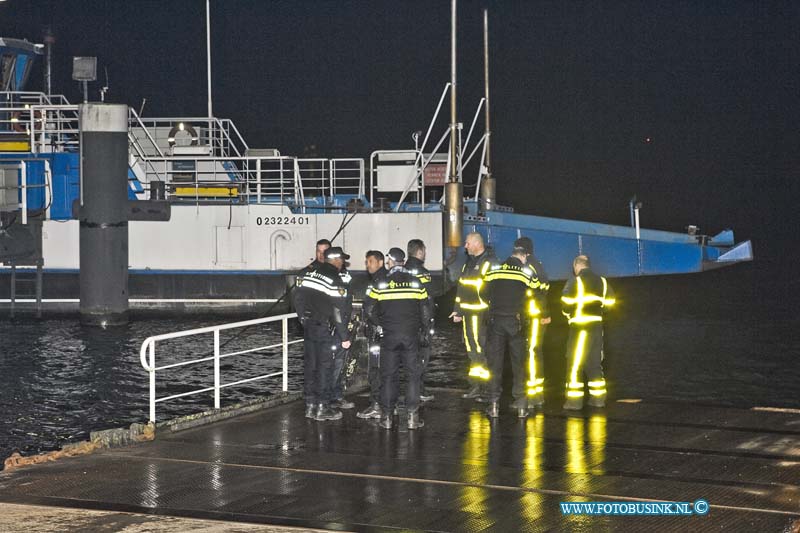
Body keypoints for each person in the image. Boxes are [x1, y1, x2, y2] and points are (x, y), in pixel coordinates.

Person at [366, 247, 432, 430]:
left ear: (390, 261)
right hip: (411, 336)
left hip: (389, 336)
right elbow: (426, 310)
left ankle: (387, 418)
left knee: (388, 376)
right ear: (403, 261)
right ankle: (412, 417)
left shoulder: (381, 282)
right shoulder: (416, 282)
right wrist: (423, 328)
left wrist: (381, 324)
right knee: (412, 376)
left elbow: (369, 310)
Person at [482, 241, 546, 418]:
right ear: (523, 256)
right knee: (519, 363)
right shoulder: (525, 273)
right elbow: (537, 291)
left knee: (495, 364)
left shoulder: (494, 270)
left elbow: (483, 293)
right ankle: (521, 405)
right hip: (515, 322)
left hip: (495, 322)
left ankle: (494, 404)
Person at [292, 246, 352, 421]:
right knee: (325, 367)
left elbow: (297, 297)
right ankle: (323, 407)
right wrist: (344, 337)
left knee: (311, 366)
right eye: (342, 259)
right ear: (336, 260)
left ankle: (310, 406)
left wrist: (303, 318)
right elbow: (338, 312)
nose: (343, 263)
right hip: (326, 329)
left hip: (309, 326)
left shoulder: (310, 273)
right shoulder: (335, 279)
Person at [560, 255, 615, 410]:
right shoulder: (603, 282)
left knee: (575, 364)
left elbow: (565, 304)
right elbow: (610, 303)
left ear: (577, 266)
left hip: (580, 327)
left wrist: (569, 315)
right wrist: (599, 312)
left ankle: (574, 402)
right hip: (597, 328)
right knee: (594, 363)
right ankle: (598, 399)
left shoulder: (574, 281)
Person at [448, 232, 495, 400]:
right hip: (468, 314)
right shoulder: (468, 264)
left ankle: (488, 389)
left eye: (467, 243)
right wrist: (457, 310)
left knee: (481, 351)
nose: (465, 247)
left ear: (476, 243)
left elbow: (493, 290)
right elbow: (461, 289)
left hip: (480, 314)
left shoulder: (489, 263)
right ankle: (476, 386)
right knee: (472, 350)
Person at [514, 236, 551, 409]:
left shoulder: (529, 267)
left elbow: (537, 293)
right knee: (532, 354)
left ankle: (534, 396)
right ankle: (535, 394)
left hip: (534, 317)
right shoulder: (536, 265)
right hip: (533, 316)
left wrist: (543, 313)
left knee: (531, 353)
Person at [357, 250, 388, 419]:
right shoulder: (383, 279)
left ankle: (377, 405)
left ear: (380, 262)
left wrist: (377, 324)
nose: (367, 265)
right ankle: (387, 404)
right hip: (385, 331)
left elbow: (370, 308)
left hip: (377, 333)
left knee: (375, 368)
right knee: (386, 368)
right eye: (366, 261)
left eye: (370, 261)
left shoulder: (379, 281)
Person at [405, 239, 436, 402]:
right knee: (422, 357)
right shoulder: (422, 273)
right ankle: (419, 390)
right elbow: (427, 300)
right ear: (419, 252)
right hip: (420, 322)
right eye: (424, 251)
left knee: (408, 357)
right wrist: (429, 323)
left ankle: (411, 389)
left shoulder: (403, 270)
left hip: (406, 321)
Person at [330, 251, 354, 410]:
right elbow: (336, 309)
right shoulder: (329, 277)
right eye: (341, 259)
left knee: (338, 364)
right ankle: (330, 398)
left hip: (341, 325)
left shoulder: (344, 275)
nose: (343, 262)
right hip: (333, 328)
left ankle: (336, 395)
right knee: (334, 364)